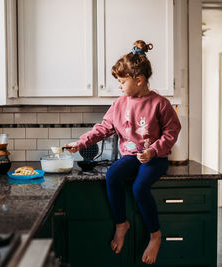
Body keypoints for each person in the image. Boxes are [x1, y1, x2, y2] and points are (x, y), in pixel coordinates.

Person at [66, 40, 181, 265]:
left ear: (138, 80)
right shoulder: (119, 104)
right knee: (113, 175)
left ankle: (155, 235)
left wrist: (154, 151)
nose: (119, 86)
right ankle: (121, 224)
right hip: (130, 157)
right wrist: (81, 143)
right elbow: (103, 128)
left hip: (154, 159)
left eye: (121, 82)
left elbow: (171, 132)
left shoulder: (160, 103)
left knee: (139, 187)